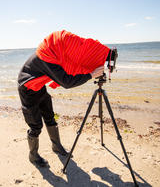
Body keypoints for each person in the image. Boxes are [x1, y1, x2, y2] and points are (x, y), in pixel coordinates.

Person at [17, 30, 115, 167]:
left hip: (39, 88)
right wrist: (90, 75)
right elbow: (67, 82)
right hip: (27, 89)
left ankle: (56, 147)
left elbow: (80, 51)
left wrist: (105, 55)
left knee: (50, 118)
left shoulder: (53, 53)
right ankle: (33, 156)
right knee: (35, 126)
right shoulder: (46, 58)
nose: (66, 49)